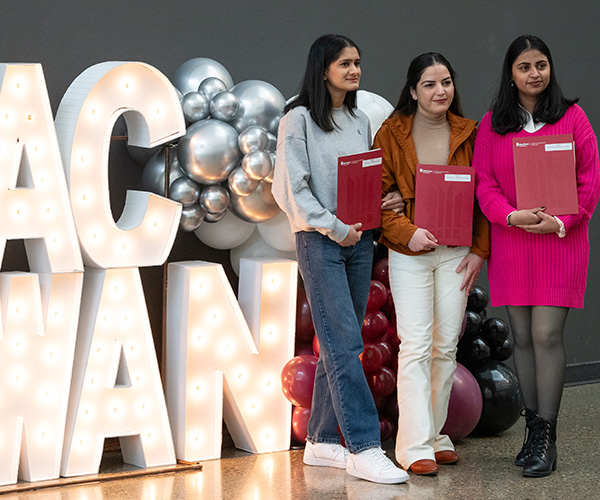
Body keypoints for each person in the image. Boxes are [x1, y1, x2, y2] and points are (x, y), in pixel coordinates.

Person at [272, 34, 408, 484]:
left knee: (338, 347)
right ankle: (365, 446)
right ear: (323, 68)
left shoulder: (357, 119)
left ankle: (322, 441)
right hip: (322, 242)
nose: (354, 71)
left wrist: (379, 205)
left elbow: (363, 178)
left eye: (357, 63)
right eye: (345, 64)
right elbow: (292, 191)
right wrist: (336, 227)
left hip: (360, 240)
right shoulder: (296, 120)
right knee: (345, 344)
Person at [473, 35, 599, 477]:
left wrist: (563, 220)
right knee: (522, 337)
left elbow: (589, 179)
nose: (534, 74)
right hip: (514, 240)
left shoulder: (573, 117)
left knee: (546, 335)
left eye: (541, 65)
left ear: (550, 69)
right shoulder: (492, 124)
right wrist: (511, 216)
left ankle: (547, 432)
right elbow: (484, 184)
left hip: (560, 239)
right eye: (524, 66)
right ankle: (532, 430)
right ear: (511, 72)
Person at [373, 53, 490, 476]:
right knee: (417, 347)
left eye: (446, 82)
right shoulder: (391, 133)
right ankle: (412, 445)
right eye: (429, 84)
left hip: (457, 253)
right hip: (410, 254)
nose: (440, 91)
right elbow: (378, 199)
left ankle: (436, 434)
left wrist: (479, 250)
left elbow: (485, 198)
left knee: (445, 348)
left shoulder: (471, 134)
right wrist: (409, 233)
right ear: (412, 91)